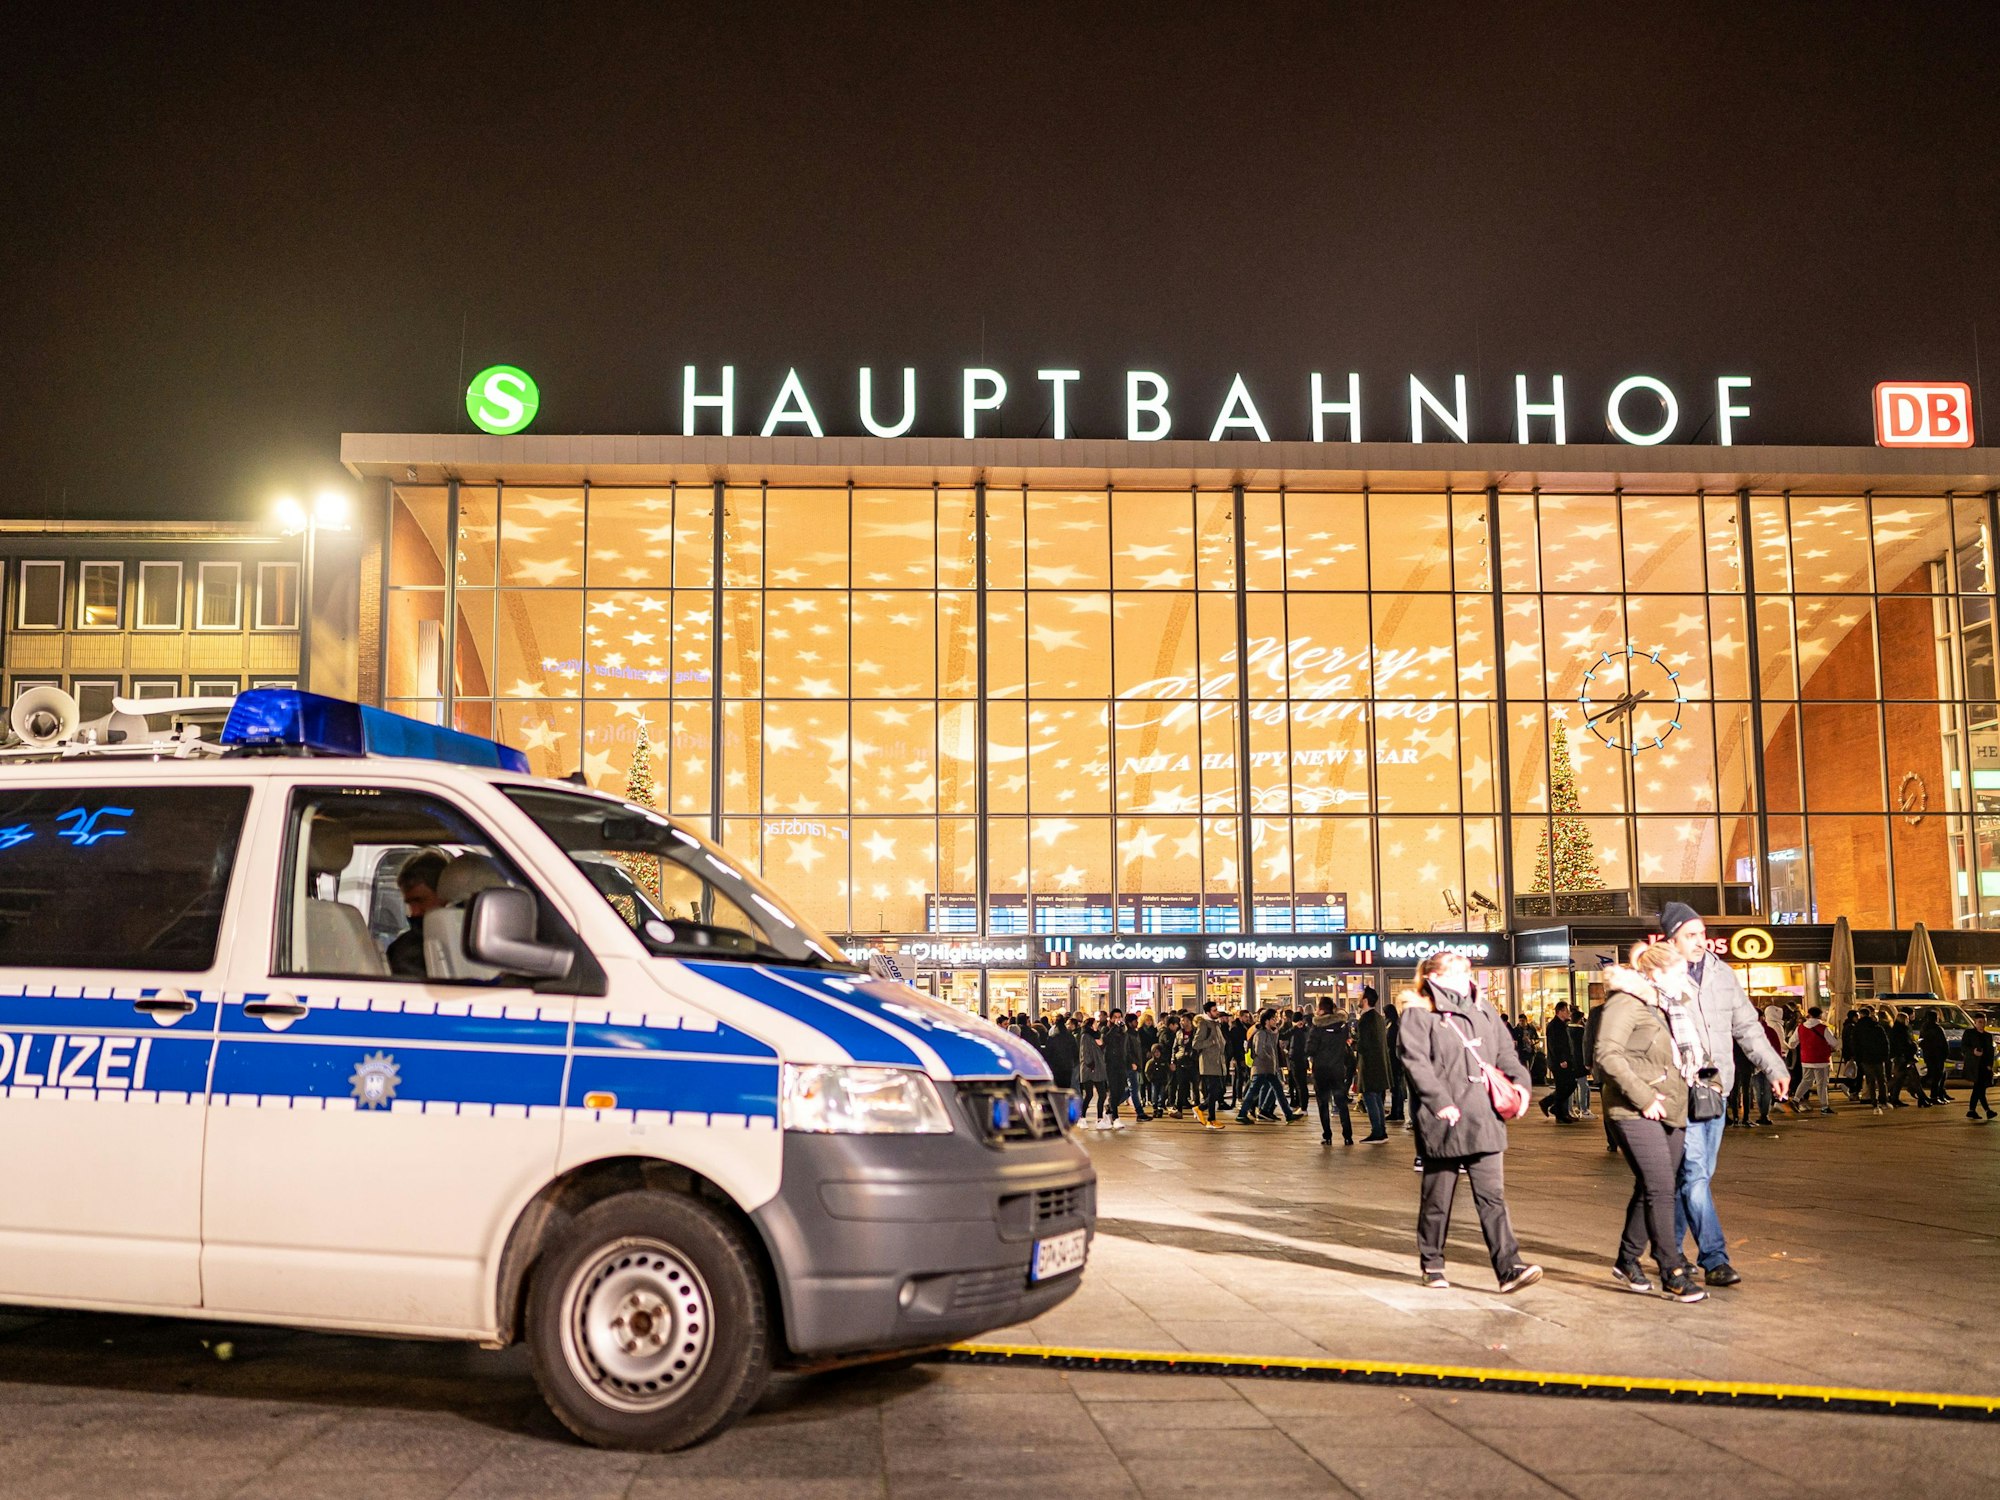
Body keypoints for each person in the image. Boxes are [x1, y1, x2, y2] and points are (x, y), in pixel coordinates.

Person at [1658, 902, 1790, 1288]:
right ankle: (1714, 1258)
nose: (1700, 942)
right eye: (1690, 935)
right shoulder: (1662, 980)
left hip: (1720, 1089)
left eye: (1701, 933)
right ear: (1672, 940)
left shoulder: (1722, 974)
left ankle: (1670, 1249)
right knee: (1696, 1172)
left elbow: (1748, 1027)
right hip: (1683, 1090)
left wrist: (1775, 1068)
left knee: (1696, 1175)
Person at [1399, 950, 1540, 1293]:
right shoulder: (1420, 1013)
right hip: (1444, 1119)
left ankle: (1509, 1269)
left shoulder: (1483, 1009)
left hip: (1484, 1114)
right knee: (1438, 1197)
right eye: (1457, 972)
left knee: (1493, 1196)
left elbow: (1506, 1053)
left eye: (1467, 971)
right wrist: (1439, 1101)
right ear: (1435, 977)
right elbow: (1415, 1062)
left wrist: (1521, 1084)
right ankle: (1432, 1264)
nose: (1467, 977)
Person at [1594, 944, 1708, 1302]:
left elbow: (1675, 1058)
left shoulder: (1668, 1007)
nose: (1683, 980)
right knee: (1660, 1187)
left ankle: (1628, 1259)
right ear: (1656, 974)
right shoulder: (1626, 1002)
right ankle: (1671, 1269)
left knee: (1654, 1186)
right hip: (1634, 1109)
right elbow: (1606, 1055)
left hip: (1672, 1106)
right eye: (1677, 973)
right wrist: (1643, 1097)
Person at [385, 849, 450, 977]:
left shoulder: (476, 940)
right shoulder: (404, 952)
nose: (414, 912)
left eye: (420, 901)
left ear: (444, 895)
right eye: (409, 903)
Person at [1237, 1009, 1301, 1123]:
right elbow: (1259, 1051)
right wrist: (1270, 1059)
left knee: (1278, 1090)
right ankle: (1242, 1114)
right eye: (1273, 1018)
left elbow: (1274, 1047)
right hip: (1261, 1068)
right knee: (1253, 1091)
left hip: (1270, 1068)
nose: (1275, 1020)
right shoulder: (1260, 1033)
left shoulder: (1271, 1033)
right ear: (1267, 1021)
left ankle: (1288, 1114)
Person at [1307, 996, 1355, 1145]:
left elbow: (1310, 1048)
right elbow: (1346, 1045)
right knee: (1341, 1103)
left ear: (1321, 1009)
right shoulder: (1342, 1026)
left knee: (1323, 1104)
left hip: (1321, 1071)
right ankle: (1347, 1136)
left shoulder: (1317, 1027)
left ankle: (1327, 1135)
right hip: (1337, 1069)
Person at [1354, 988, 1393, 1142]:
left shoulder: (1364, 1020)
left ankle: (1377, 1131)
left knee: (1370, 1097)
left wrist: (1354, 1043)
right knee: (1376, 1097)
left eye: (1360, 996)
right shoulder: (1378, 1018)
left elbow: (1364, 1045)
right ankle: (1381, 1131)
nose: (1358, 998)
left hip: (1370, 1065)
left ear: (1365, 1000)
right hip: (1380, 1065)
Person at [1192, 1000, 1230, 1129]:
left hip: (1218, 1063)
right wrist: (1211, 1042)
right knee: (1215, 1091)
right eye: (1214, 1010)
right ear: (1208, 1012)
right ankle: (1204, 1112)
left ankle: (1210, 1117)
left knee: (1217, 1091)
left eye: (1216, 1009)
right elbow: (1196, 1044)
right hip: (1209, 1064)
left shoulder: (1216, 1024)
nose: (1217, 1012)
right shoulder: (1204, 1024)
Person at [1795, 1006, 1837, 1114]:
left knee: (1806, 1081)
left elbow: (1792, 1043)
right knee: (1822, 1084)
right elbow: (1834, 1043)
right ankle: (1824, 1106)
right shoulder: (1823, 1028)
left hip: (1806, 1059)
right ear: (1820, 1015)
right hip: (1821, 1060)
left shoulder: (1800, 1027)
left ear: (1809, 1014)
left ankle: (1795, 1099)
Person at [1541, 1000, 1578, 1122]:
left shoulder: (1562, 1024)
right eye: (1566, 1011)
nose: (1568, 1013)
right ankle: (1557, 1110)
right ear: (1560, 1011)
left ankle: (1555, 1108)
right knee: (1565, 1086)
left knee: (1566, 1085)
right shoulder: (1554, 1026)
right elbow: (1555, 1045)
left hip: (1564, 1060)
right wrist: (1561, 1059)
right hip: (1559, 1062)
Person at [1849, 1005, 1891, 1111]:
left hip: (1865, 1058)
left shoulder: (1857, 1029)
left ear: (1861, 1015)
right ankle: (1883, 1100)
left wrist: (1858, 1058)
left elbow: (1855, 1044)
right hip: (1878, 1057)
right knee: (1881, 1080)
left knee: (1870, 1080)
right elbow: (1885, 1043)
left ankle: (1873, 1102)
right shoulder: (1877, 1027)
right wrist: (1885, 1056)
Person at [1076, 1019, 1110, 1128]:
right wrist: (1090, 1064)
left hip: (1097, 1068)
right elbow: (1084, 1052)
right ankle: (1084, 1118)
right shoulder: (1085, 1036)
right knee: (1091, 1094)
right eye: (1095, 1023)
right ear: (1091, 1025)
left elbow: (1101, 1050)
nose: (1097, 1025)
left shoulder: (1095, 1036)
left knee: (1101, 1094)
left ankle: (1098, 1119)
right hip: (1090, 1069)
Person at [1963, 1013, 1996, 1121]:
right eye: (1980, 1022)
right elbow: (1964, 1046)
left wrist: (1990, 1065)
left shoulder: (1988, 1036)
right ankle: (1987, 1110)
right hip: (1974, 1065)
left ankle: (1972, 1111)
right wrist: (1973, 1051)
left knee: (1979, 1089)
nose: (1982, 1024)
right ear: (1975, 1022)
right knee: (1979, 1088)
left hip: (1984, 1066)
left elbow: (1990, 1052)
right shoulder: (1969, 1033)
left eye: (1984, 1022)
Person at [1918, 1012, 1951, 1106]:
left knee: (1935, 1074)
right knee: (1937, 1076)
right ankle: (1934, 1096)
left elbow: (1921, 1042)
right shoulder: (1937, 1028)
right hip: (1938, 1056)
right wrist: (1945, 1054)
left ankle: (1939, 1094)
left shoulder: (1924, 1028)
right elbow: (1943, 1043)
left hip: (1929, 1055)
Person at [1045, 1014, 1078, 1091]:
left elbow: (1048, 1054)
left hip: (1056, 1067)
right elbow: (1075, 1052)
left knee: (1057, 1088)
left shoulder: (1052, 1037)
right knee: (1066, 1087)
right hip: (1067, 1066)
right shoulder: (1070, 1037)